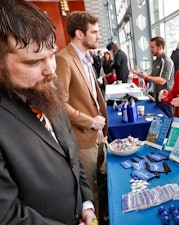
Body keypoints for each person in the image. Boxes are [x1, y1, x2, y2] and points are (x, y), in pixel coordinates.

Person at [0, 0, 96, 224]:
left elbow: (69, 152)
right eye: (33, 62)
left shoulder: (41, 80)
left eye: (52, 54)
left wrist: (86, 204)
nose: (51, 70)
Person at [55, 11, 109, 224]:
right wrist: (90, 122)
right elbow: (60, 105)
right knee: (91, 189)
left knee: (103, 181)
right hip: (83, 137)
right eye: (94, 32)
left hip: (97, 134)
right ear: (79, 33)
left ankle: (105, 218)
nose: (98, 36)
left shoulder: (86, 59)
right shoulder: (63, 60)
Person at [131, 36, 175, 117]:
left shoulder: (166, 61)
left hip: (165, 98)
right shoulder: (156, 61)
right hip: (157, 96)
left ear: (160, 47)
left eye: (152, 47)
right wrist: (140, 74)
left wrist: (147, 77)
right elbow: (153, 75)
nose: (150, 49)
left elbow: (162, 80)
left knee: (168, 120)